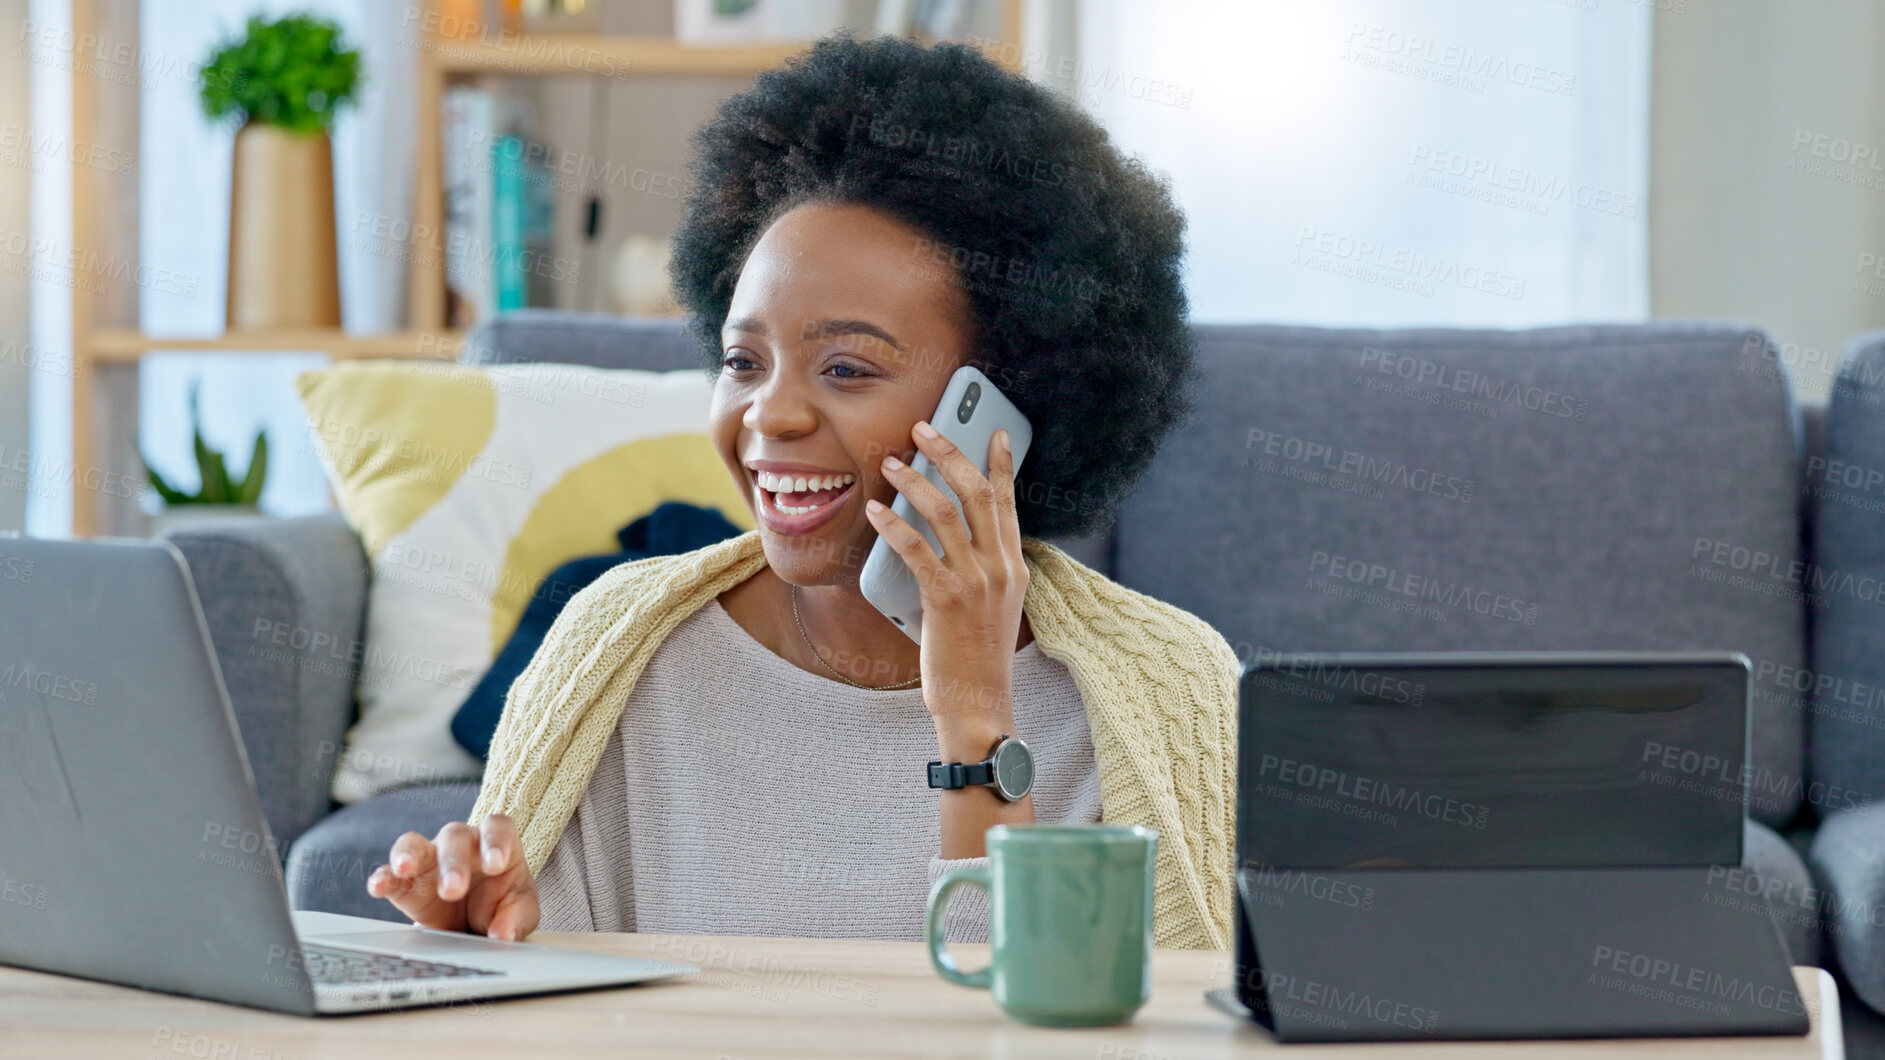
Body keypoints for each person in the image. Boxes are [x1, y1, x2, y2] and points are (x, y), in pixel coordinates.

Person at [367, 31, 1239, 949]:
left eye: (847, 368)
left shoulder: (1162, 688)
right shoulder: (616, 652)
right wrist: (475, 947)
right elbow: (553, 1010)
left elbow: (1077, 1033)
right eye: (744, 361)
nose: (768, 416)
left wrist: (975, 717)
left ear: (1004, 406)